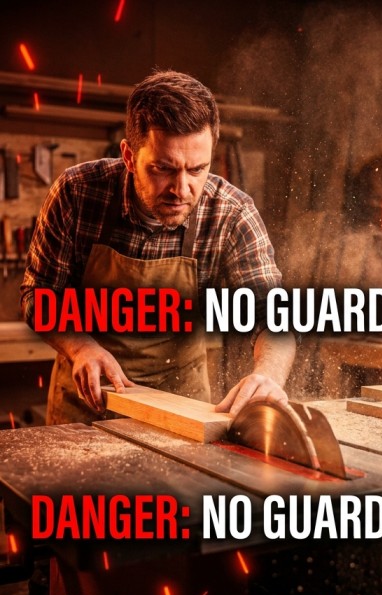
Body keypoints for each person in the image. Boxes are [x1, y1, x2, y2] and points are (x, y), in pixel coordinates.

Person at [21, 70, 295, 425]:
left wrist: (269, 375)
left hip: (182, 405)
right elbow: (38, 295)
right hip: (87, 398)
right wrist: (81, 347)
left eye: (198, 169)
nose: (181, 189)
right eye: (163, 169)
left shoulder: (231, 212)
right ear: (128, 156)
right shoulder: (77, 193)